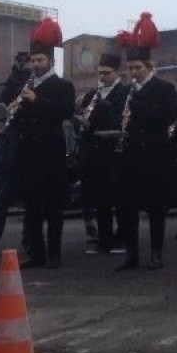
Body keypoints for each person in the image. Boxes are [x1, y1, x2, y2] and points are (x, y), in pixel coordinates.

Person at [114, 13, 177, 271]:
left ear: (149, 67)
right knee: (127, 208)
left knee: (155, 208)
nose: (133, 73)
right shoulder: (127, 91)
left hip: (154, 155)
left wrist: (137, 106)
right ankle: (131, 254)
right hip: (129, 156)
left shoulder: (164, 89)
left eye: (137, 68)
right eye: (130, 69)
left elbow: (165, 117)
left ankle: (156, 252)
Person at [14, 20, 76, 269]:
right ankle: (35, 253)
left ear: (50, 61)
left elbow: (64, 111)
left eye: (40, 61)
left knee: (52, 206)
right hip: (28, 153)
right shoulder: (27, 85)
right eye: (33, 61)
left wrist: (36, 99)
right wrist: (13, 109)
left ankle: (53, 253)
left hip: (50, 153)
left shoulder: (62, 85)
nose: (36, 65)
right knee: (31, 207)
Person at [75, 52, 128, 256]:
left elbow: (121, 118)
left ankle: (122, 239)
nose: (103, 77)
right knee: (100, 200)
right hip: (94, 152)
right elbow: (82, 118)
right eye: (100, 73)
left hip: (114, 152)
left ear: (117, 73)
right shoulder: (92, 94)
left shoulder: (124, 92)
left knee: (120, 198)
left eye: (107, 73)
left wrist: (104, 111)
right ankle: (105, 240)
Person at [0, 51, 31, 258]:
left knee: (29, 201)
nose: (23, 66)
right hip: (8, 144)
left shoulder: (34, 82)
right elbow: (2, 104)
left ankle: (29, 243)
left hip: (24, 143)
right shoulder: (13, 81)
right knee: (0, 200)